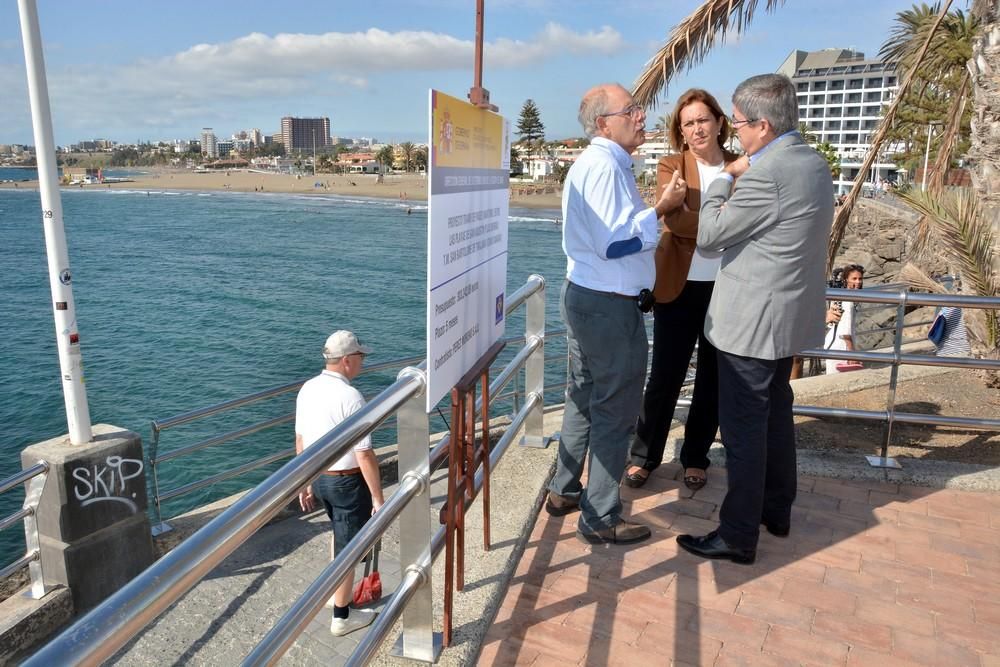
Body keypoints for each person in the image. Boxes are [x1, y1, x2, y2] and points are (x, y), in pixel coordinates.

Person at [676, 74, 834, 564]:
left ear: (763, 126)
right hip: (785, 316)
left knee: (744, 430)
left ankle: (738, 534)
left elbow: (711, 234)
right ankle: (776, 508)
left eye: (740, 125)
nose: (734, 136)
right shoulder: (813, 162)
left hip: (751, 322)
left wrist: (722, 177)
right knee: (776, 415)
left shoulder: (767, 174)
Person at [545, 83, 682, 545]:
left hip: (586, 296)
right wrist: (660, 211)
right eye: (633, 110)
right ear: (605, 123)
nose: (643, 116)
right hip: (608, 305)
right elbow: (614, 241)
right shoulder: (603, 166)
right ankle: (600, 515)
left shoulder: (600, 164)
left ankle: (564, 490)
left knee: (583, 396)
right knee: (616, 409)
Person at [624, 89, 739, 491]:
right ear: (680, 131)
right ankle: (645, 455)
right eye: (688, 123)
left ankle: (695, 456)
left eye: (703, 120)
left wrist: (702, 220)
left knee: (713, 378)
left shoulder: (741, 169)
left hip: (726, 288)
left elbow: (744, 224)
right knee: (664, 377)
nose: (696, 129)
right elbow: (674, 222)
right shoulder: (671, 165)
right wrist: (720, 223)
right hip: (677, 286)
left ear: (720, 123)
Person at [295, 330, 385, 636]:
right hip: (346, 482)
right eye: (360, 357)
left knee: (338, 535)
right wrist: (377, 498)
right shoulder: (351, 397)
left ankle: (335, 593)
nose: (363, 362)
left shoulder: (308, 388)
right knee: (350, 548)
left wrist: (304, 483)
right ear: (346, 360)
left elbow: (301, 440)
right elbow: (365, 454)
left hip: (319, 478)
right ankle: (342, 616)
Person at [824, 263, 864, 374]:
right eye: (854, 279)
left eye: (860, 279)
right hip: (840, 347)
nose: (858, 282)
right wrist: (852, 354)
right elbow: (845, 332)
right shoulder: (848, 301)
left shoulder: (839, 294)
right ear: (846, 279)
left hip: (833, 344)